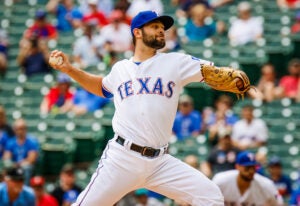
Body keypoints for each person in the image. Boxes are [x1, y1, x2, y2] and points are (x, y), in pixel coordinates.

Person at [48, 10, 254, 205]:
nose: (160, 30)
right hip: (122, 158)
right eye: (154, 26)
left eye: (162, 27)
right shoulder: (121, 69)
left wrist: (227, 77)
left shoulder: (175, 62)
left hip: (160, 162)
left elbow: (210, 72)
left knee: (210, 196)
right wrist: (69, 69)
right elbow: (101, 87)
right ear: (137, 32)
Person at [212, 151, 283, 205]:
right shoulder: (221, 181)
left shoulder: (266, 185)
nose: (251, 171)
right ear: (237, 167)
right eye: (247, 167)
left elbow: (279, 203)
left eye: (253, 167)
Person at [2, 118, 39, 185]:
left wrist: (19, 164)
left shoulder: (32, 141)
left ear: (26, 129)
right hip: (13, 165)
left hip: (25, 166)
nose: (20, 131)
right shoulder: (11, 142)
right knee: (5, 166)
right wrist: (12, 164)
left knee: (26, 168)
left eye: (22, 128)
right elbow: (6, 157)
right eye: (17, 129)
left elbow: (31, 159)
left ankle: (24, 188)